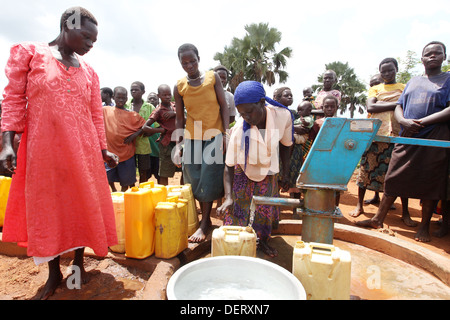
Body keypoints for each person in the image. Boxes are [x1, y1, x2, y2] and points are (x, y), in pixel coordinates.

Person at [0, 7, 119, 300]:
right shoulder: (30, 54)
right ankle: (53, 273)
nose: (91, 44)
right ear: (68, 25)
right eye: (86, 36)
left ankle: (77, 264)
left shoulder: (89, 71)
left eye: (94, 39)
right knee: (48, 209)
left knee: (81, 205)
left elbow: (94, 114)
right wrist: (6, 143)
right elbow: (13, 100)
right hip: (43, 152)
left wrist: (104, 150)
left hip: (84, 153)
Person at [356, 41, 450, 242]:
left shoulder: (447, 79)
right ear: (422, 58)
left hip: (434, 135)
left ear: (444, 56)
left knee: (430, 180)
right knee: (394, 175)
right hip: (408, 134)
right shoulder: (413, 81)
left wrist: (422, 122)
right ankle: (377, 219)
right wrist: (404, 121)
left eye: (437, 53)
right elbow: (400, 105)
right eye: (428, 53)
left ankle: (424, 227)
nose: (433, 56)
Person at [217, 81, 293, 257]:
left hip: (269, 171)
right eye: (242, 114)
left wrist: (286, 173)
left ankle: (262, 242)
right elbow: (228, 166)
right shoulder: (238, 130)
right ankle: (236, 243)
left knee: (264, 211)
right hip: (243, 170)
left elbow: (286, 145)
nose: (247, 118)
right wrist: (228, 197)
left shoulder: (283, 117)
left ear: (261, 102)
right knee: (238, 209)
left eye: (249, 112)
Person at [174, 43, 229, 242]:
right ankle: (199, 219)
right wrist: (178, 143)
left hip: (214, 134)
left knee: (209, 177)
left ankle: (205, 223)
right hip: (192, 136)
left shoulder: (212, 78)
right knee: (194, 178)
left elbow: (224, 105)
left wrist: (225, 133)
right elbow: (179, 117)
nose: (189, 65)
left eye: (192, 61)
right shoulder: (179, 86)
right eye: (184, 63)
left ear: (199, 58)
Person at [350, 59, 411, 223]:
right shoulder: (375, 88)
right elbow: (371, 108)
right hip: (376, 135)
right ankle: (359, 205)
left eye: (390, 70)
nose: (387, 74)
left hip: (399, 135)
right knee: (366, 170)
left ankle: (405, 212)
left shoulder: (405, 87)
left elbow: (407, 106)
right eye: (383, 71)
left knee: (400, 173)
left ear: (396, 69)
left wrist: (383, 104)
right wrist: (397, 104)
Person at [104, 86, 146, 192]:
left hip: (127, 152)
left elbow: (145, 128)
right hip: (110, 152)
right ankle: (113, 190)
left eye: (123, 98)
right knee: (108, 177)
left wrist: (135, 135)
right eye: (118, 97)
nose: (121, 100)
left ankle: (123, 195)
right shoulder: (105, 110)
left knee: (126, 180)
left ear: (127, 98)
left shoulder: (133, 115)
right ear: (113, 97)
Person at [142, 84, 182, 186]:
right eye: (164, 95)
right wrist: (160, 130)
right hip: (167, 143)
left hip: (180, 141)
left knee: (184, 170)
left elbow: (185, 119)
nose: (168, 97)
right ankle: (165, 195)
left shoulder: (175, 106)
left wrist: (175, 114)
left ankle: (183, 192)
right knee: (165, 172)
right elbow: (145, 127)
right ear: (159, 95)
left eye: (169, 94)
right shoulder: (158, 110)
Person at [309, 95, 341, 207]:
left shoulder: (342, 123)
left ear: (337, 107)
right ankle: (317, 205)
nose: (329, 109)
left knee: (336, 184)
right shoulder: (317, 123)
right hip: (319, 158)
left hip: (336, 158)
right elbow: (312, 142)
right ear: (322, 108)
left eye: (332, 106)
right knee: (318, 182)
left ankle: (335, 206)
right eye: (326, 106)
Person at [126, 81, 155, 184]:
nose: (133, 92)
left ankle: (142, 190)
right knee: (130, 169)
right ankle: (132, 191)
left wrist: (151, 132)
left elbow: (157, 124)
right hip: (128, 143)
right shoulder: (126, 105)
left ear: (143, 92)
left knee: (144, 170)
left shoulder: (149, 107)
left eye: (136, 90)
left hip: (143, 144)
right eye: (131, 90)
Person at [146, 92, 161, 183]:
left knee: (159, 175)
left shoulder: (161, 113)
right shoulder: (144, 112)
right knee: (145, 175)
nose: (152, 100)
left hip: (158, 151)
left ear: (158, 101)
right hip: (147, 151)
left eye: (154, 99)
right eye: (150, 99)